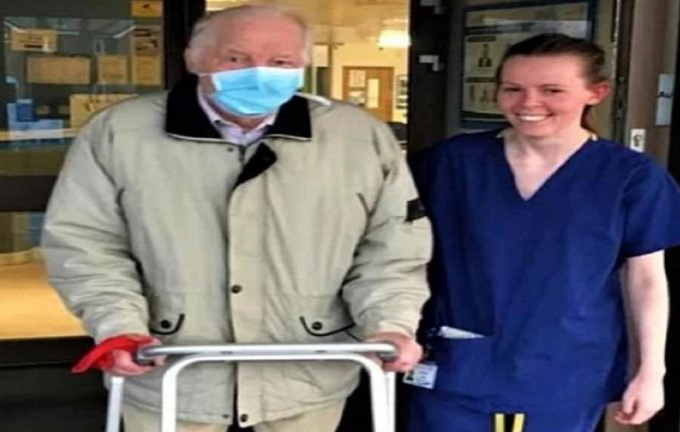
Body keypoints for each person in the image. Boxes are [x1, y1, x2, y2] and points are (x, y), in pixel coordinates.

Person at [42, 5, 431, 432]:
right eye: (235, 57)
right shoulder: (119, 133)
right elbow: (87, 242)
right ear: (193, 59)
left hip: (305, 374)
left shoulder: (358, 138)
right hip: (170, 373)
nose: (259, 73)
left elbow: (393, 249)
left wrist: (389, 325)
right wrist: (118, 326)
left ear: (303, 65)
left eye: (280, 61)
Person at [405, 33, 680, 432]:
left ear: (596, 93)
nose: (529, 103)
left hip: (566, 369)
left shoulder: (629, 176)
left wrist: (651, 372)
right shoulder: (450, 163)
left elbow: (646, 280)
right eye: (513, 89)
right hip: (456, 363)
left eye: (552, 90)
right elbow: (396, 251)